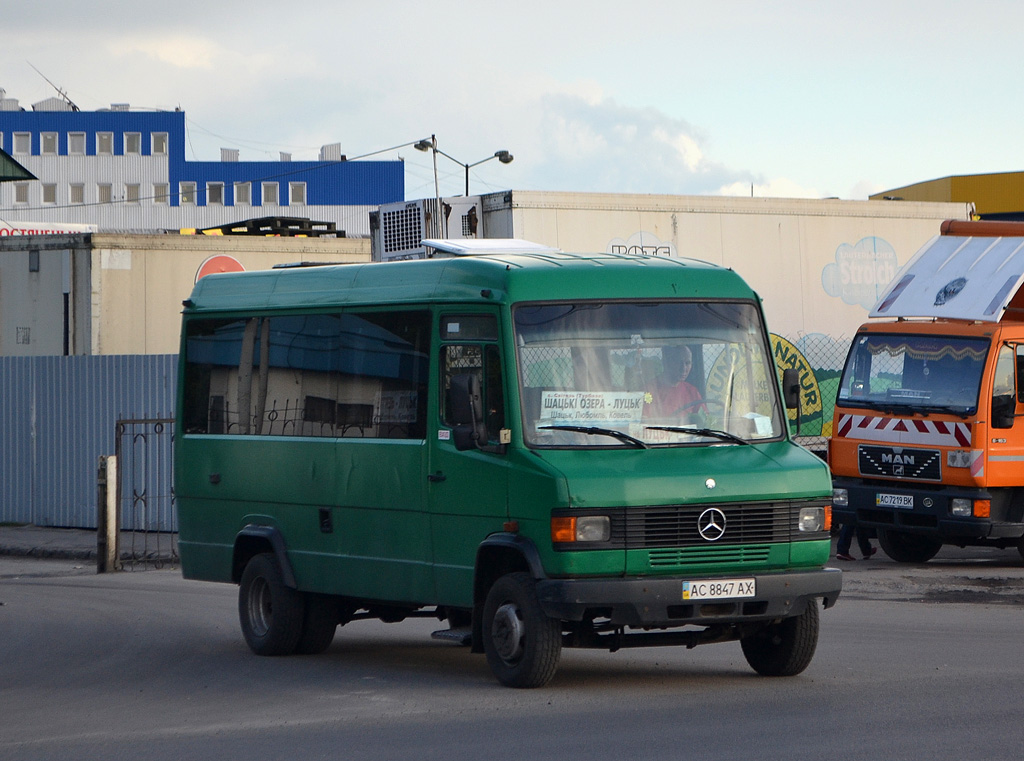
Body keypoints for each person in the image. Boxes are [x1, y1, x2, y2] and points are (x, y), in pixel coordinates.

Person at [649, 346, 704, 420]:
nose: (683, 369)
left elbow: (706, 421)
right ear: (667, 363)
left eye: (687, 363)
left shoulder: (692, 392)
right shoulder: (650, 391)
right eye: (679, 362)